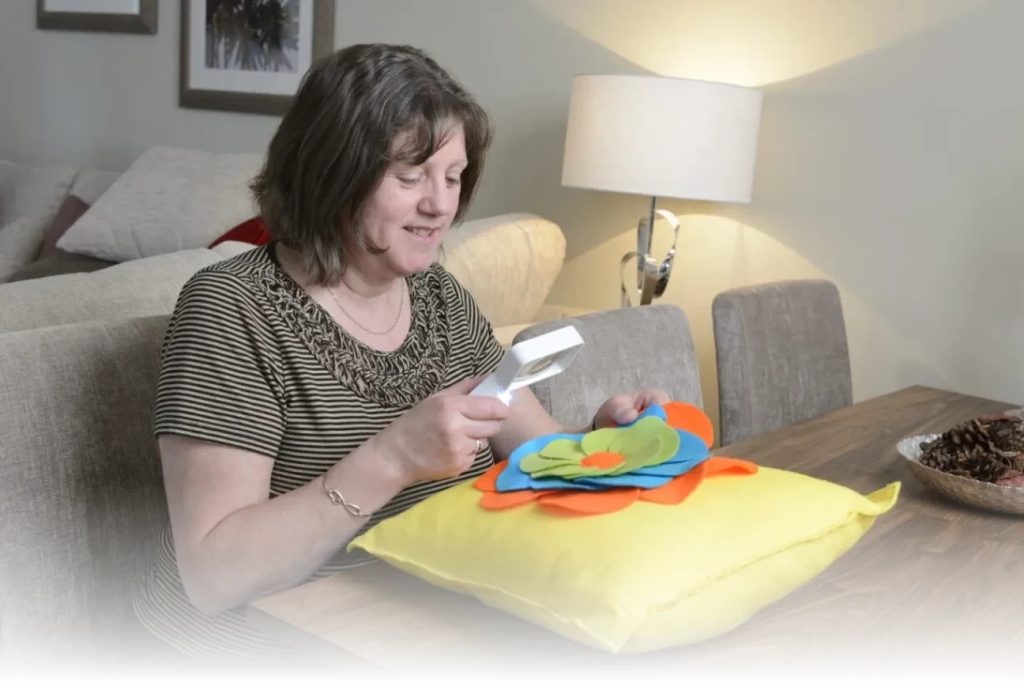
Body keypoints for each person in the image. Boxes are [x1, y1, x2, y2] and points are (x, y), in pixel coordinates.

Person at [132, 43, 668, 660]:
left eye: (452, 176)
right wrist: (393, 457)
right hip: (257, 640)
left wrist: (601, 438)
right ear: (331, 172)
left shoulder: (437, 293)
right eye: (409, 176)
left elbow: (535, 449)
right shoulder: (232, 309)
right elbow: (215, 576)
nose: (440, 206)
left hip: (415, 615)